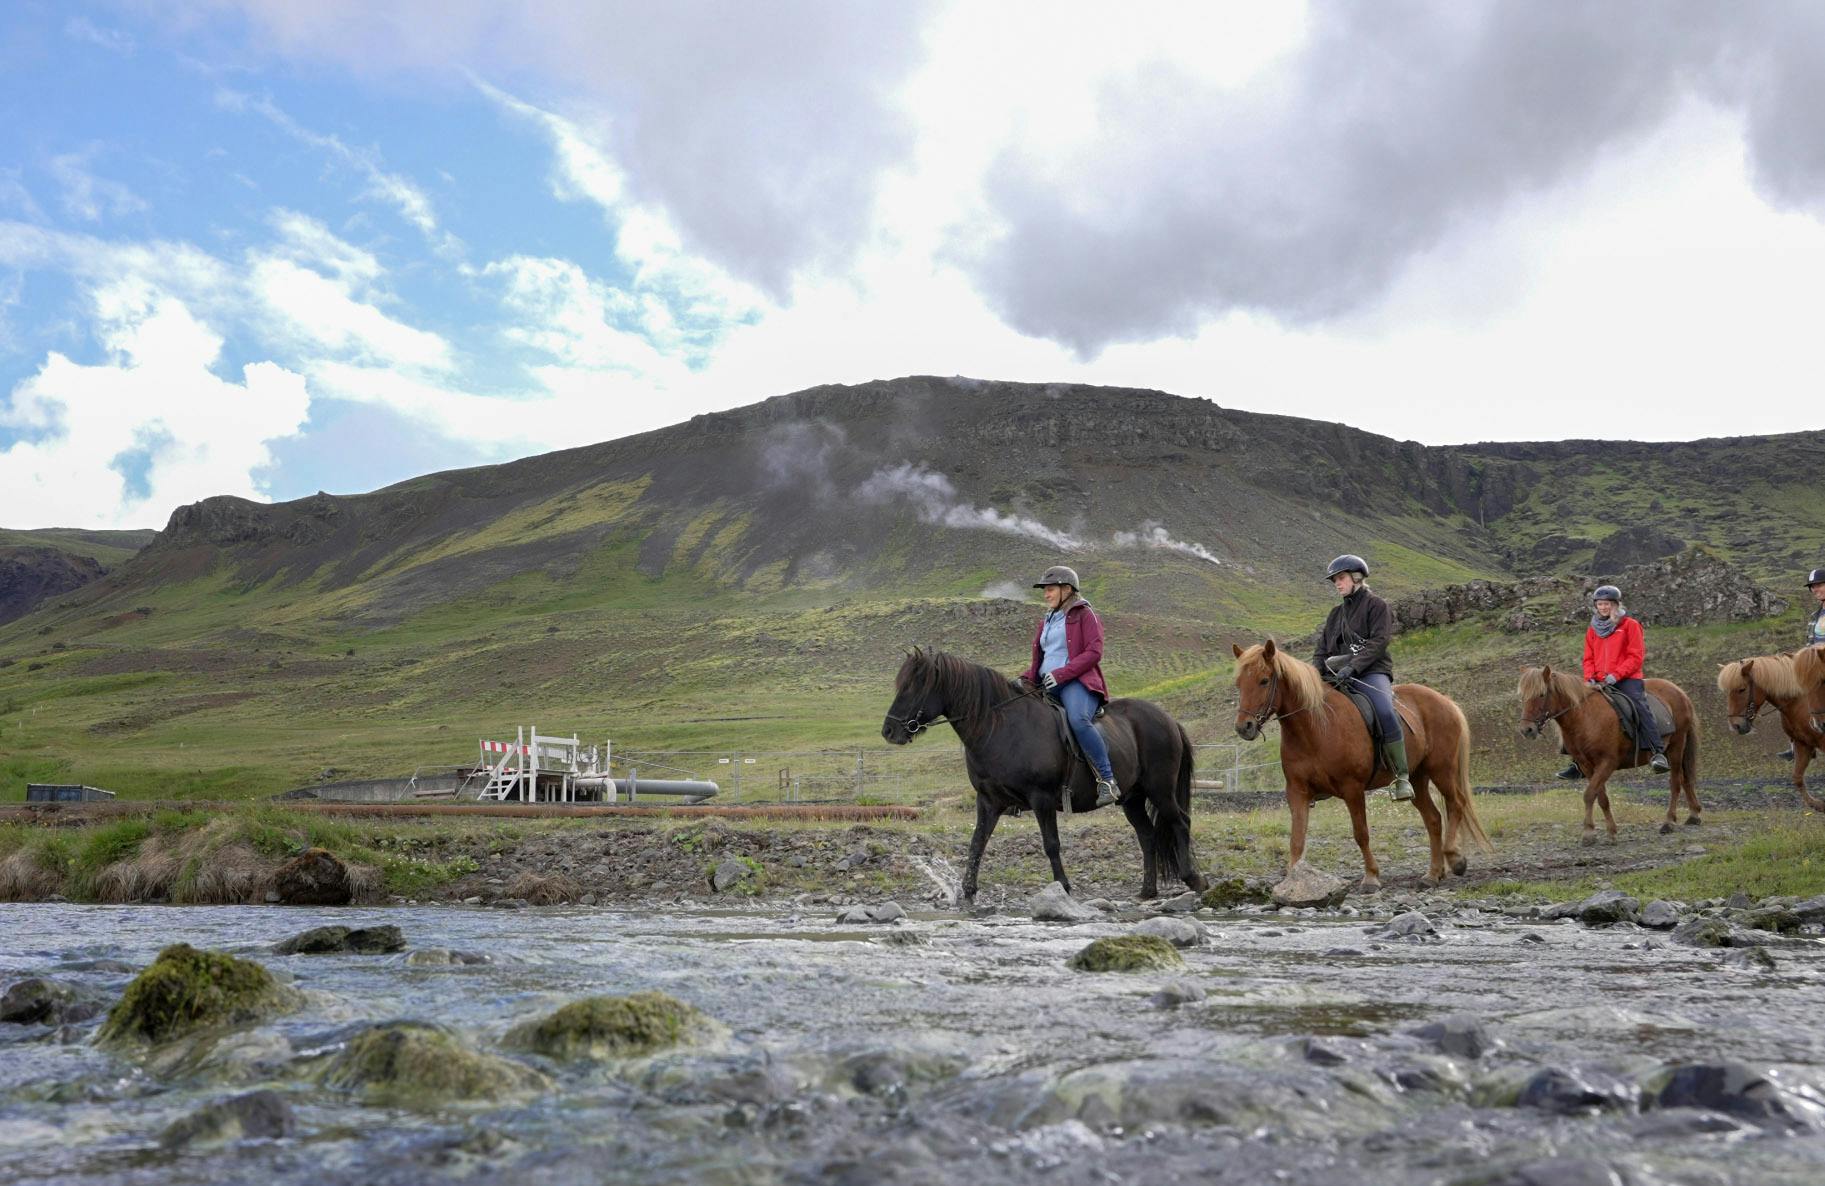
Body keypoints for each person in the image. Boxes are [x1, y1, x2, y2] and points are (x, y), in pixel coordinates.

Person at [1312, 554, 1413, 801]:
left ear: (1357, 578)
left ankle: (1401, 777)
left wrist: (1354, 667)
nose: (1337, 583)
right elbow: (1322, 650)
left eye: (1341, 578)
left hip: (1371, 672)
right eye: (1335, 580)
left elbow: (1379, 642)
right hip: (1337, 675)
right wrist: (1316, 674)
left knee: (1385, 710)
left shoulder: (1377, 606)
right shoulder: (1335, 615)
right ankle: (1319, 777)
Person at [1019, 565, 1121, 808]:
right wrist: (1023, 679)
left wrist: (1063, 674)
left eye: (1050, 589)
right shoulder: (1047, 619)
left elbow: (1094, 652)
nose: (1046, 594)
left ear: (1067, 589)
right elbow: (1042, 659)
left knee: (1078, 720)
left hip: (1077, 683)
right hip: (1046, 684)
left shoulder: (1085, 614)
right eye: (1045, 590)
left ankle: (1107, 781)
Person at [1577, 584, 1670, 773]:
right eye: (1600, 604)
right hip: (1598, 681)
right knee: (1578, 708)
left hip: (1627, 679)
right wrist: (1590, 678)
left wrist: (1615, 676)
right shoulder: (1592, 630)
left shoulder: (1630, 625)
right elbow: (1588, 658)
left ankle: (1657, 752)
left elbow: (1636, 656)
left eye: (1607, 604)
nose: (1603, 608)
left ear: (1616, 604)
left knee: (1638, 706)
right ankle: (1576, 761)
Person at [1776, 567, 1825, 761]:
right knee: (1791, 692)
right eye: (1812, 587)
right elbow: (1810, 643)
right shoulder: (1815, 615)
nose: (1814, 590)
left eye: (1819, 585)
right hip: (1817, 664)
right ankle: (1797, 742)